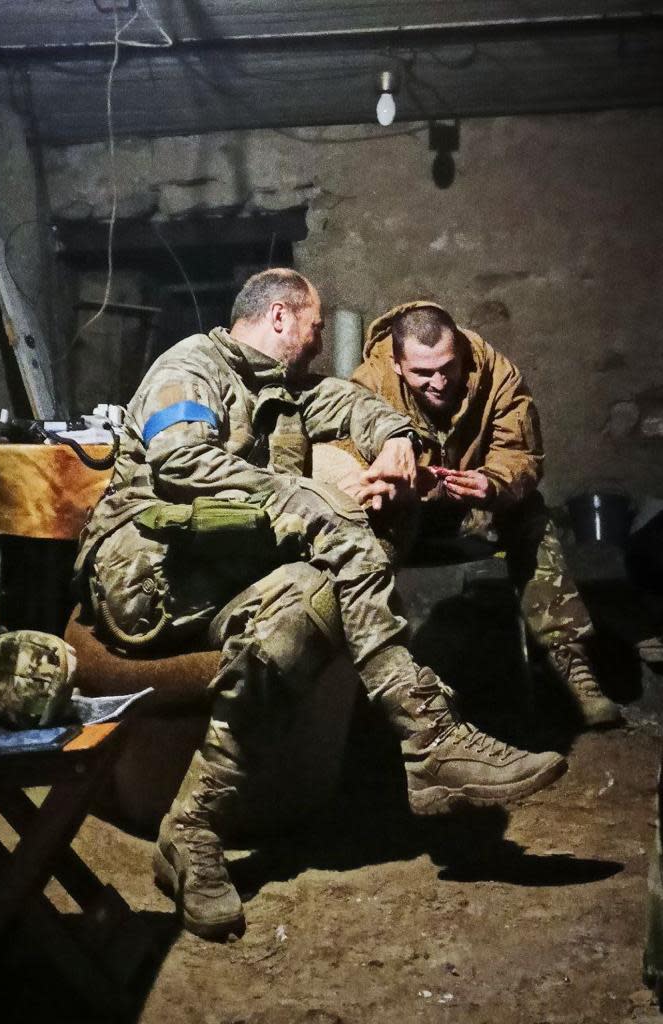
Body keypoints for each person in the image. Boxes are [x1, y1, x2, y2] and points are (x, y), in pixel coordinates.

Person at [73, 272, 566, 941]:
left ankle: (190, 833)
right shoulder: (190, 367)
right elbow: (182, 461)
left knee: (301, 611)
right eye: (313, 326)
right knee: (336, 525)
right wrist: (304, 496)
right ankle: (428, 736)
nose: (318, 340)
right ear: (279, 316)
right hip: (145, 572)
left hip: (221, 574)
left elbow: (349, 404)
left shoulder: (283, 388)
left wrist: (397, 436)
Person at [351, 300, 622, 731]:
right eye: (423, 373)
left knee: (531, 513)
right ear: (398, 365)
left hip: (471, 508)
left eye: (448, 367)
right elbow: (351, 468)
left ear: (458, 349)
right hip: (404, 514)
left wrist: (493, 483)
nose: (439, 382)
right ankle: (373, 690)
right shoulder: (367, 384)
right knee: (350, 536)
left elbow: (521, 452)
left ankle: (571, 666)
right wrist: (401, 485)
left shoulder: (496, 372)